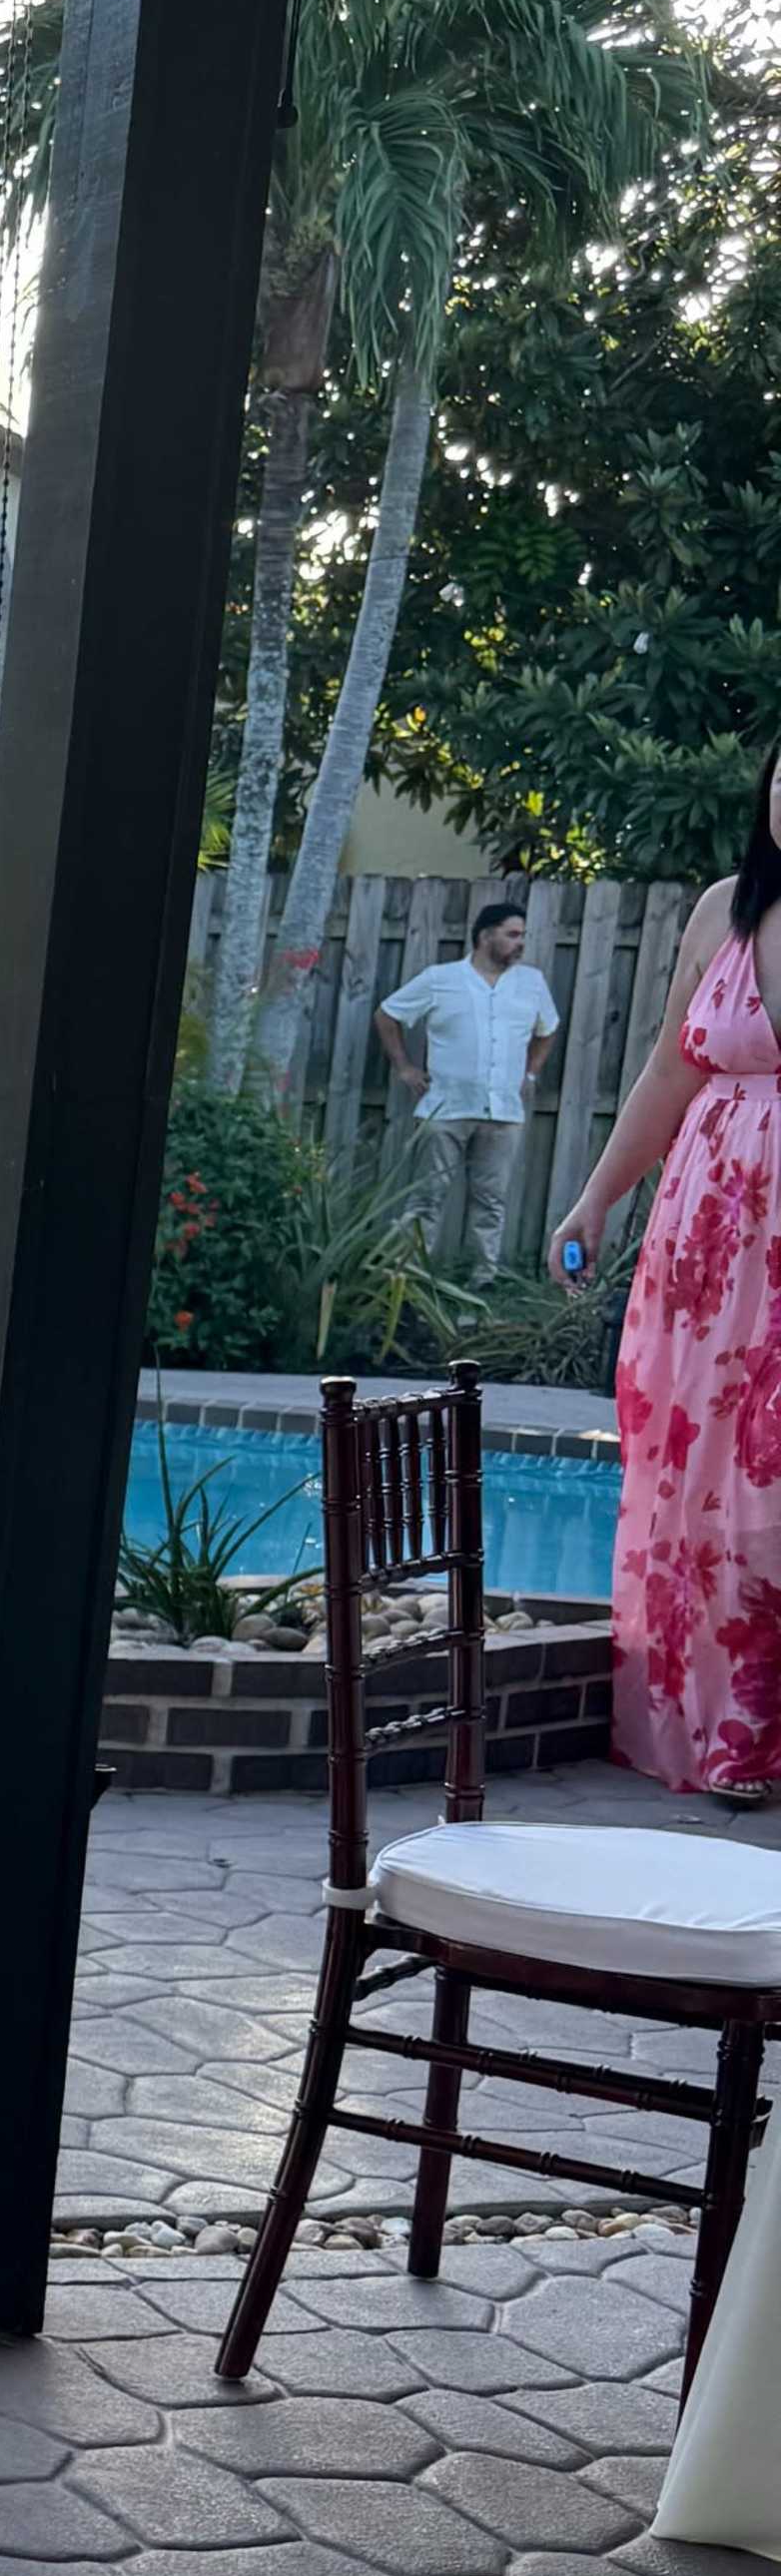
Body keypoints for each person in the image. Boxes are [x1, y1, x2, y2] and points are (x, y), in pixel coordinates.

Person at [551, 752, 781, 1807]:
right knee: (703, 1471)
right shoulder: (725, 911)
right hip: (706, 1241)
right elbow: (667, 1071)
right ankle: (724, 1729)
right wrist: (596, 1198)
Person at [379, 895, 558, 1283]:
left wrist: (529, 1074)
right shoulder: (440, 979)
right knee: (427, 1195)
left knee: (491, 1200)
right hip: (445, 1109)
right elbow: (388, 1014)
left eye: (523, 935)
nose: (520, 943)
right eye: (512, 935)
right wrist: (405, 1068)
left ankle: (484, 1277)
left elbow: (548, 1029)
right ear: (485, 936)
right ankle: (406, 1275)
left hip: (503, 1111)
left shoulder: (531, 983)